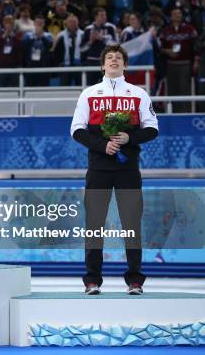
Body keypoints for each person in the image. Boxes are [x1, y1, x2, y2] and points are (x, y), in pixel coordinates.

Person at [70, 44, 158, 296]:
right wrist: (102, 145)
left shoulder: (138, 94)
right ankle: (92, 280)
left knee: (132, 223)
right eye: (109, 57)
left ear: (125, 65)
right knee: (94, 224)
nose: (114, 60)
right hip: (98, 168)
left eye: (119, 58)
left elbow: (153, 128)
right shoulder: (89, 94)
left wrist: (129, 139)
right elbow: (76, 129)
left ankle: (135, 280)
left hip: (127, 168)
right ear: (102, 65)